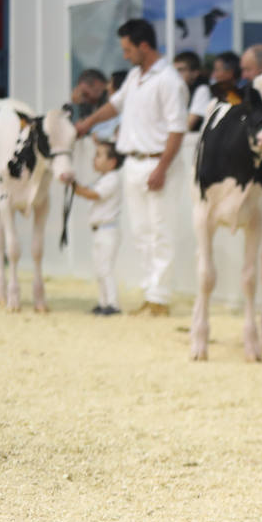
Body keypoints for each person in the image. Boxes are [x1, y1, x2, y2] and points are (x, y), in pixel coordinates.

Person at [74, 19, 188, 317]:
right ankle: (151, 293)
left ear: (144, 46)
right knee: (141, 232)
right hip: (133, 163)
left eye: (128, 49)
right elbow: (114, 106)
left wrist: (162, 167)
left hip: (158, 162)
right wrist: (87, 122)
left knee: (161, 230)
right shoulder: (135, 77)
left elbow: (177, 130)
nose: (124, 55)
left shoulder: (169, 80)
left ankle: (160, 298)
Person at [71, 140, 123, 316]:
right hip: (100, 231)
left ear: (112, 161)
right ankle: (103, 302)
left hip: (108, 230)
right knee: (99, 269)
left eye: (99, 155)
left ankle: (113, 304)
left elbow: (93, 194)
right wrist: (75, 186)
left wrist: (74, 185)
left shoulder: (113, 179)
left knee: (106, 268)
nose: (95, 159)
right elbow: (87, 190)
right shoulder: (103, 179)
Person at [174, 51, 212, 131]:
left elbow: (188, 126)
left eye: (181, 70)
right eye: (174, 71)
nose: (175, 74)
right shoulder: (178, 89)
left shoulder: (202, 90)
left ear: (195, 73)